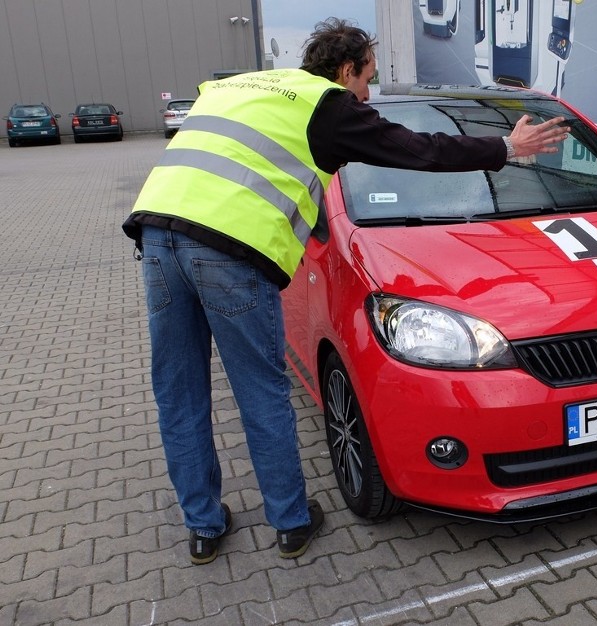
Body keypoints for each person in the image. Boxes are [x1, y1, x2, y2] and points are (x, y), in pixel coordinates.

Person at [122, 17, 568, 565]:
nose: (365, 95)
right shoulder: (327, 106)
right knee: (261, 391)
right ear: (345, 69)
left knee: (179, 392)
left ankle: (204, 528)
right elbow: (417, 149)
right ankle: (290, 521)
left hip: (156, 234)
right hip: (227, 250)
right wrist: (507, 146)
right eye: (366, 79)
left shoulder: (241, 85)